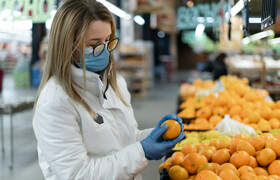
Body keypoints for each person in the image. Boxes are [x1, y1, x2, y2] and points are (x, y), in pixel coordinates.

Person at [32, 0, 185, 179]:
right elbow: (76, 174)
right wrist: (142, 151)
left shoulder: (115, 84)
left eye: (108, 41)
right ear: (67, 46)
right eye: (94, 44)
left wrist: (153, 135)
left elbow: (123, 140)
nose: (105, 51)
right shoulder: (55, 101)